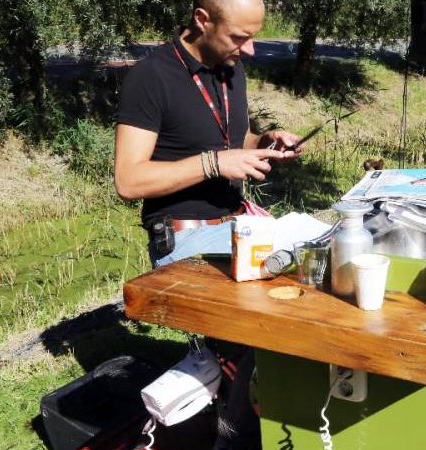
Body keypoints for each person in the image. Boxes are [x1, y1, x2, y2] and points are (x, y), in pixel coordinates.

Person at [114, 0, 304, 448]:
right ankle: (235, 435)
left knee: (311, 273)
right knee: (272, 316)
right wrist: (215, 163)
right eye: (240, 37)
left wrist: (263, 141)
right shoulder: (150, 77)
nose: (250, 49)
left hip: (236, 225)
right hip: (183, 236)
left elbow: (230, 137)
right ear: (202, 20)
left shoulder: (230, 67)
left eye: (253, 37)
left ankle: (261, 413)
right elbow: (128, 179)